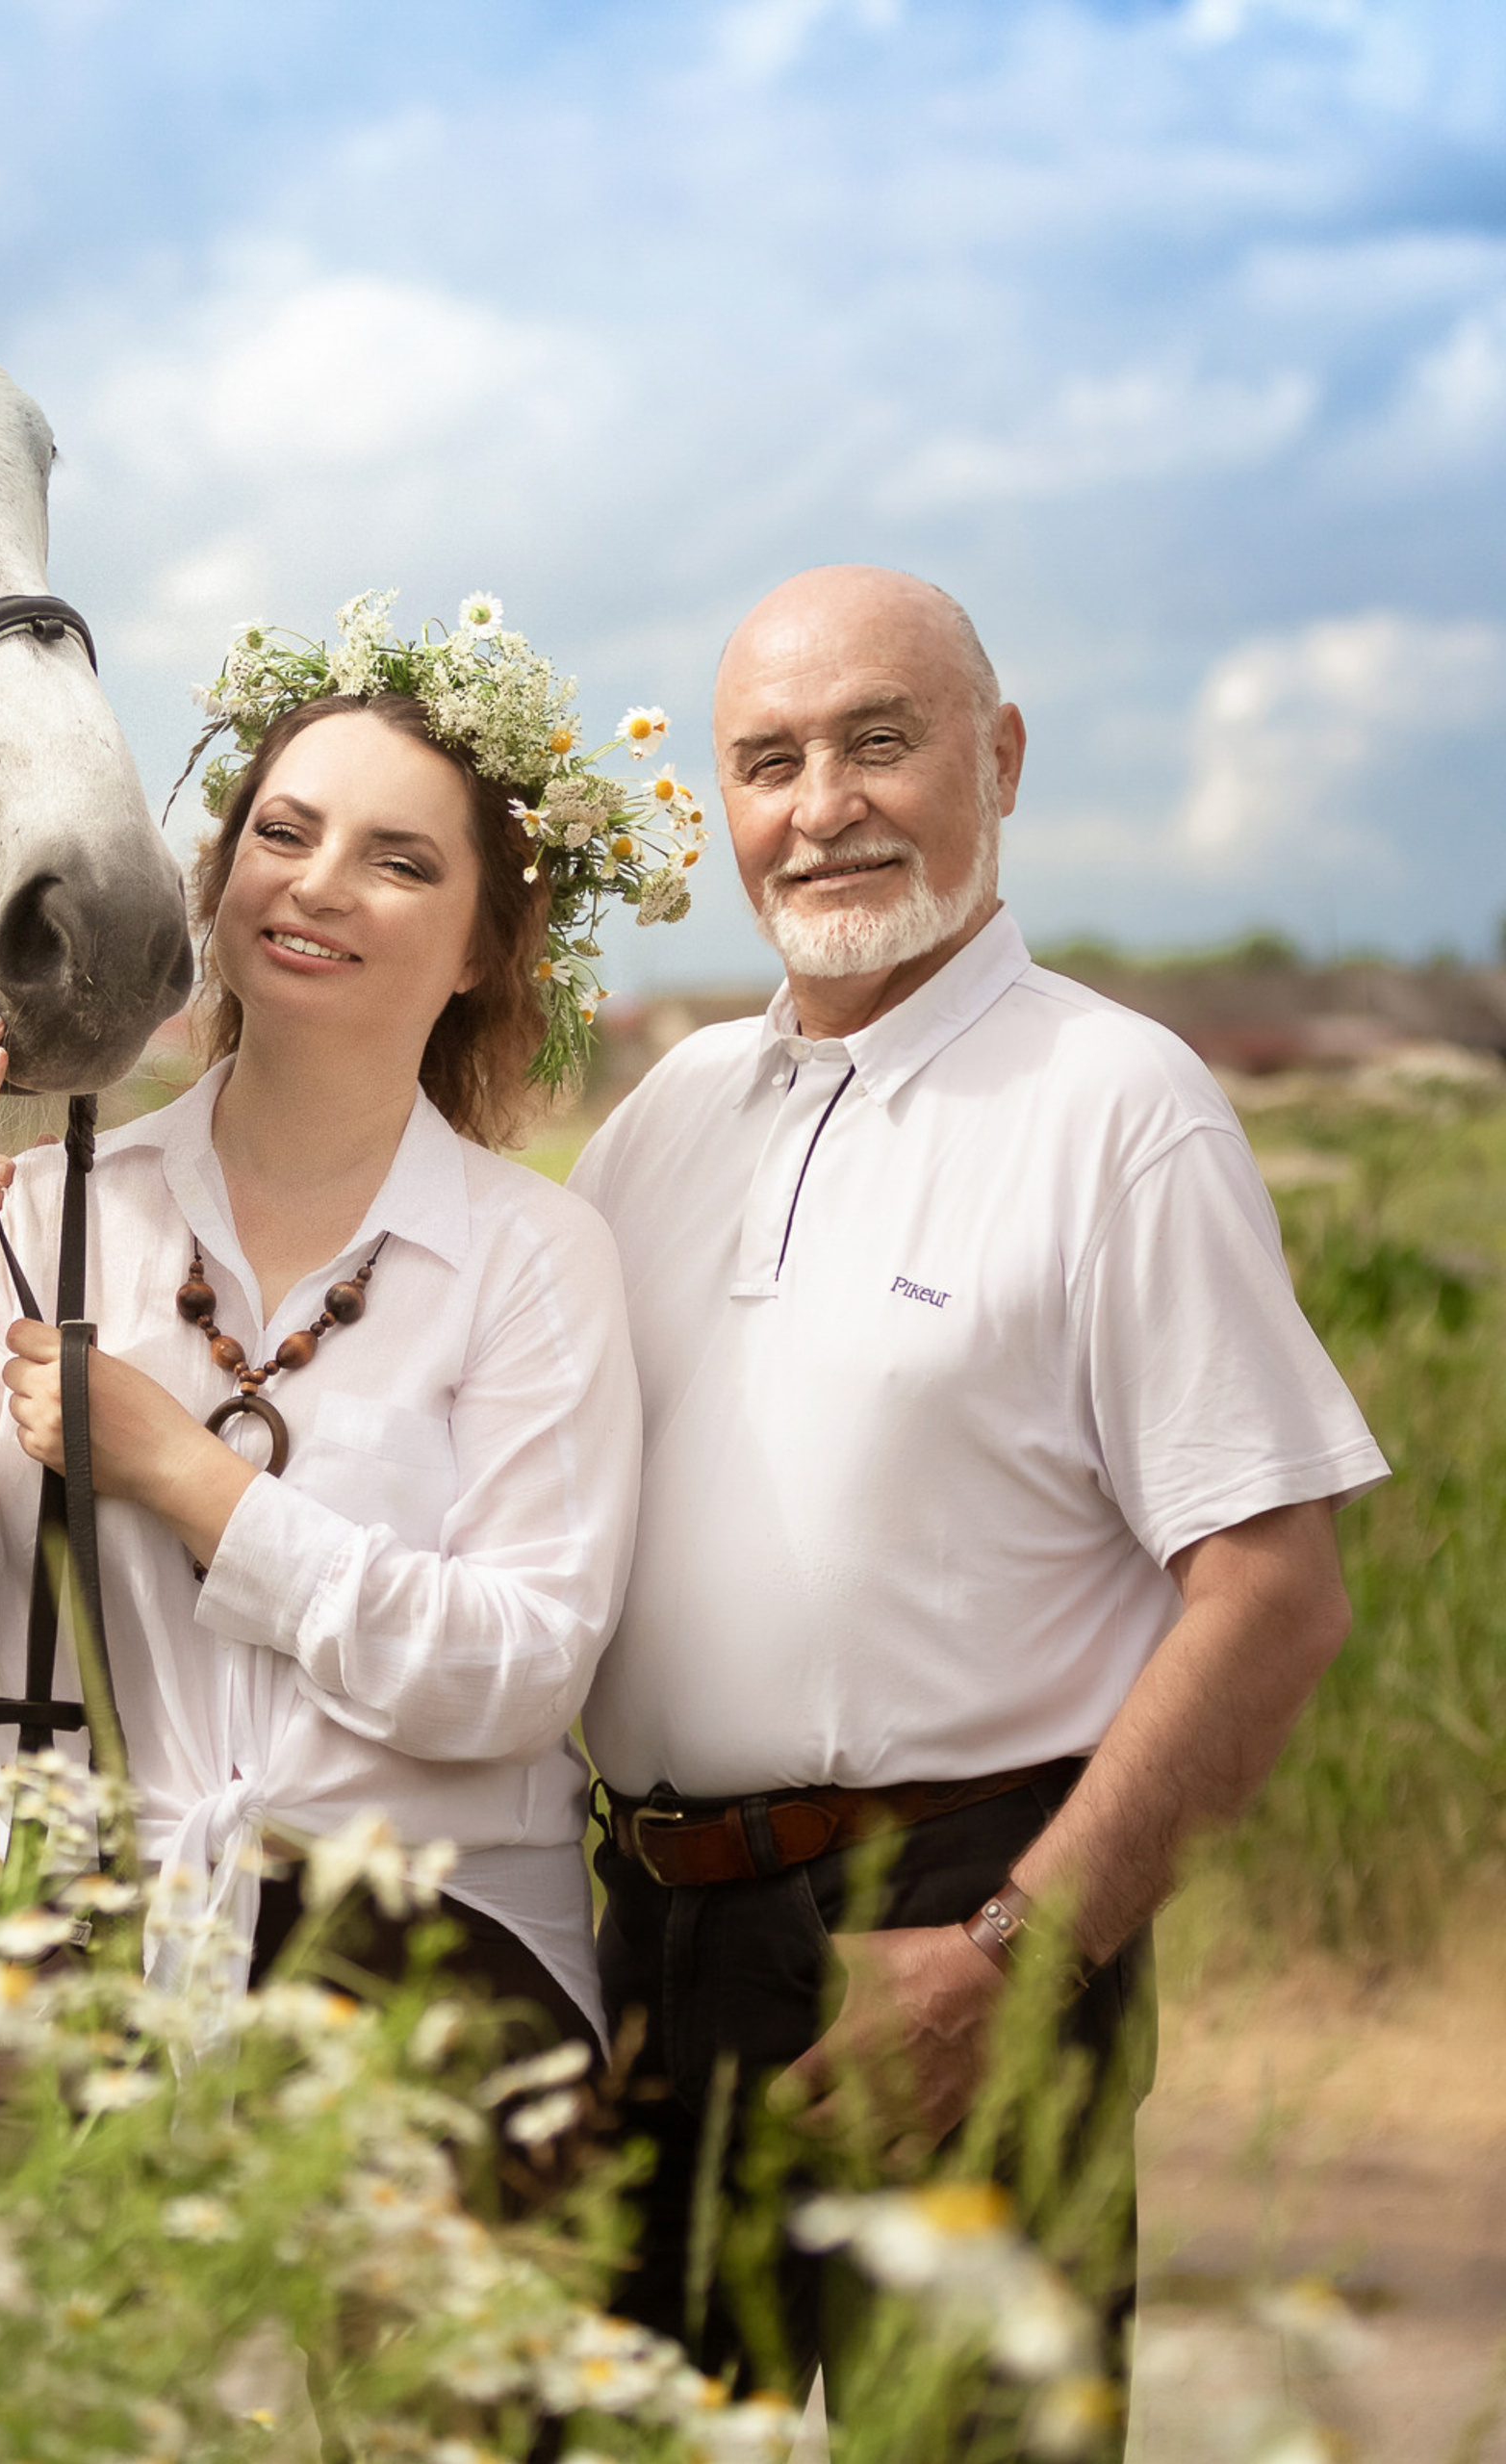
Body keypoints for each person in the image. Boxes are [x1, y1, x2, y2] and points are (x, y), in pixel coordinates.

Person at [570, 565, 1388, 2398]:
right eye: (769, 762)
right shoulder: (663, 1119)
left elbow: (1274, 1589)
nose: (825, 805)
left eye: (881, 741)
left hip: (953, 1932)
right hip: (653, 1948)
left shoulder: (1118, 1103)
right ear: (721, 812)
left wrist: (1013, 1957)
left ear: (999, 757)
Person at [0, 619, 650, 2055]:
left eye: (400, 859)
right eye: (285, 832)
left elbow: (518, 1670)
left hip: (433, 1987)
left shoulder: (534, 1257)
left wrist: (188, 1478)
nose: (317, 885)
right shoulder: (53, 1218)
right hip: (85, 1985)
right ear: (219, 872)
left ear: (482, 950)